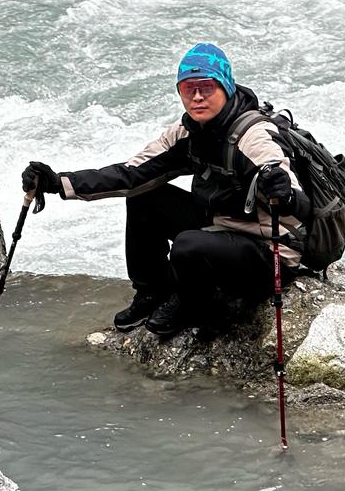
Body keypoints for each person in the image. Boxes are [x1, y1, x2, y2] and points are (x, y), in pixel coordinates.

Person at [21, 42, 312, 338]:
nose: (197, 97)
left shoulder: (254, 136)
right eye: (188, 89)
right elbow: (130, 174)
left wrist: (284, 193)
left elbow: (301, 205)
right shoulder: (189, 132)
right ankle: (152, 293)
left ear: (226, 86)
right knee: (144, 197)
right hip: (220, 229)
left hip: (268, 253)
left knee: (188, 245)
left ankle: (193, 305)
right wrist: (59, 182)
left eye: (207, 87)